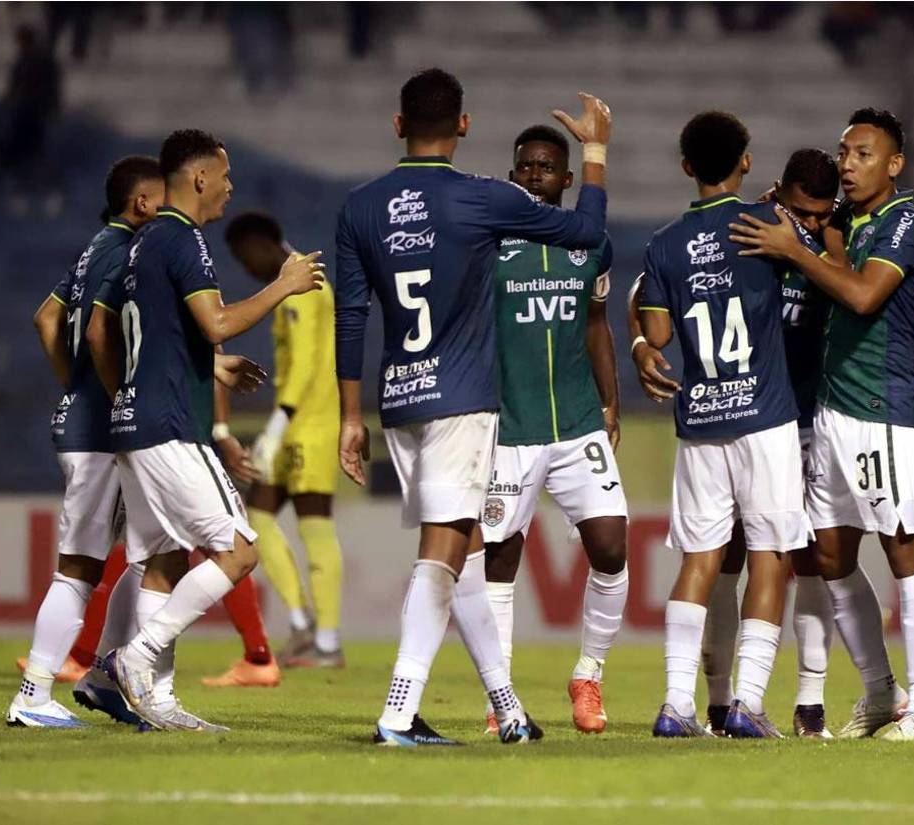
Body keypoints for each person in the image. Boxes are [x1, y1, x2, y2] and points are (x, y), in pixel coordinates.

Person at [635, 146, 914, 737]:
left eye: (825, 215)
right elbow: (653, 285)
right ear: (777, 195)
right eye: (805, 212)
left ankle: (810, 701)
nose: (816, 223)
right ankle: (721, 702)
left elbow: (895, 292)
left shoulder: (836, 234)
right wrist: (645, 344)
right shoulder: (756, 231)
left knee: (808, 558)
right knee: (744, 557)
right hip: (761, 413)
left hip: (808, 414)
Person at [334, 68, 611, 746]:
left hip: (399, 399)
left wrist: (349, 415)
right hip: (461, 401)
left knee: (461, 551)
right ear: (463, 126)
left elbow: (349, 314)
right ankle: (399, 710)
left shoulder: (360, 207)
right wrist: (596, 154)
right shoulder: (483, 198)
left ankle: (508, 707)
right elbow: (586, 232)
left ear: (399, 126)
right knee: (443, 553)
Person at [92, 128, 324, 731]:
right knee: (241, 551)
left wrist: (197, 366)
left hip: (135, 422)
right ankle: (132, 661)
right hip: (171, 426)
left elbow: (115, 333)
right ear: (199, 178)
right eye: (224, 175)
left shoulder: (142, 244)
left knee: (163, 560)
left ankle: (151, 697)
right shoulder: (182, 237)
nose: (229, 186)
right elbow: (216, 320)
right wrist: (282, 285)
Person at [729, 108, 914, 741]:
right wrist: (798, 225)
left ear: (894, 164)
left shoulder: (908, 221)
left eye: (864, 154)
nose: (849, 164)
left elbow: (866, 295)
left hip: (882, 410)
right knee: (826, 555)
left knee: (906, 553)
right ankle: (881, 694)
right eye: (845, 152)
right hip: (829, 412)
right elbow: (911, 294)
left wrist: (796, 247)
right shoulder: (849, 223)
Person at [639, 111, 812, 739]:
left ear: (686, 166)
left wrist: (641, 346)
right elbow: (816, 271)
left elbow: (656, 333)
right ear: (745, 161)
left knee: (699, 560)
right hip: (765, 418)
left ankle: (675, 704)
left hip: (702, 418)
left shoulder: (662, 245)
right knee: (770, 557)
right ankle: (749, 703)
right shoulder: (767, 225)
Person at [7, 156, 165, 728]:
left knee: (150, 553)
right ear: (142, 202)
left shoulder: (92, 248)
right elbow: (99, 332)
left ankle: (106, 677)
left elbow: (46, 317)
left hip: (83, 421)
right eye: (162, 197)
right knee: (80, 569)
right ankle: (34, 693)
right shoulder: (126, 253)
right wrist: (112, 392)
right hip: (101, 432)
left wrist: (71, 384)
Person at [480, 125, 626, 735]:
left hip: (576, 424)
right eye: (525, 166)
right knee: (499, 562)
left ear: (569, 180)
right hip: (509, 426)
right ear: (514, 175)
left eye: (546, 167)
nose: (535, 174)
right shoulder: (489, 244)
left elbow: (595, 323)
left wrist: (611, 401)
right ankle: (500, 695)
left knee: (612, 548)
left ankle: (588, 674)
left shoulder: (591, 247)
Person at [209, 210, 345, 677]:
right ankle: (302, 622)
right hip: (295, 420)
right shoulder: (295, 284)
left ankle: (326, 639)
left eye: (245, 255)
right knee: (258, 517)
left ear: (265, 245)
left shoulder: (303, 285)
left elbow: (307, 363)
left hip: (311, 422)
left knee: (314, 523)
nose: (245, 266)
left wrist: (277, 425)